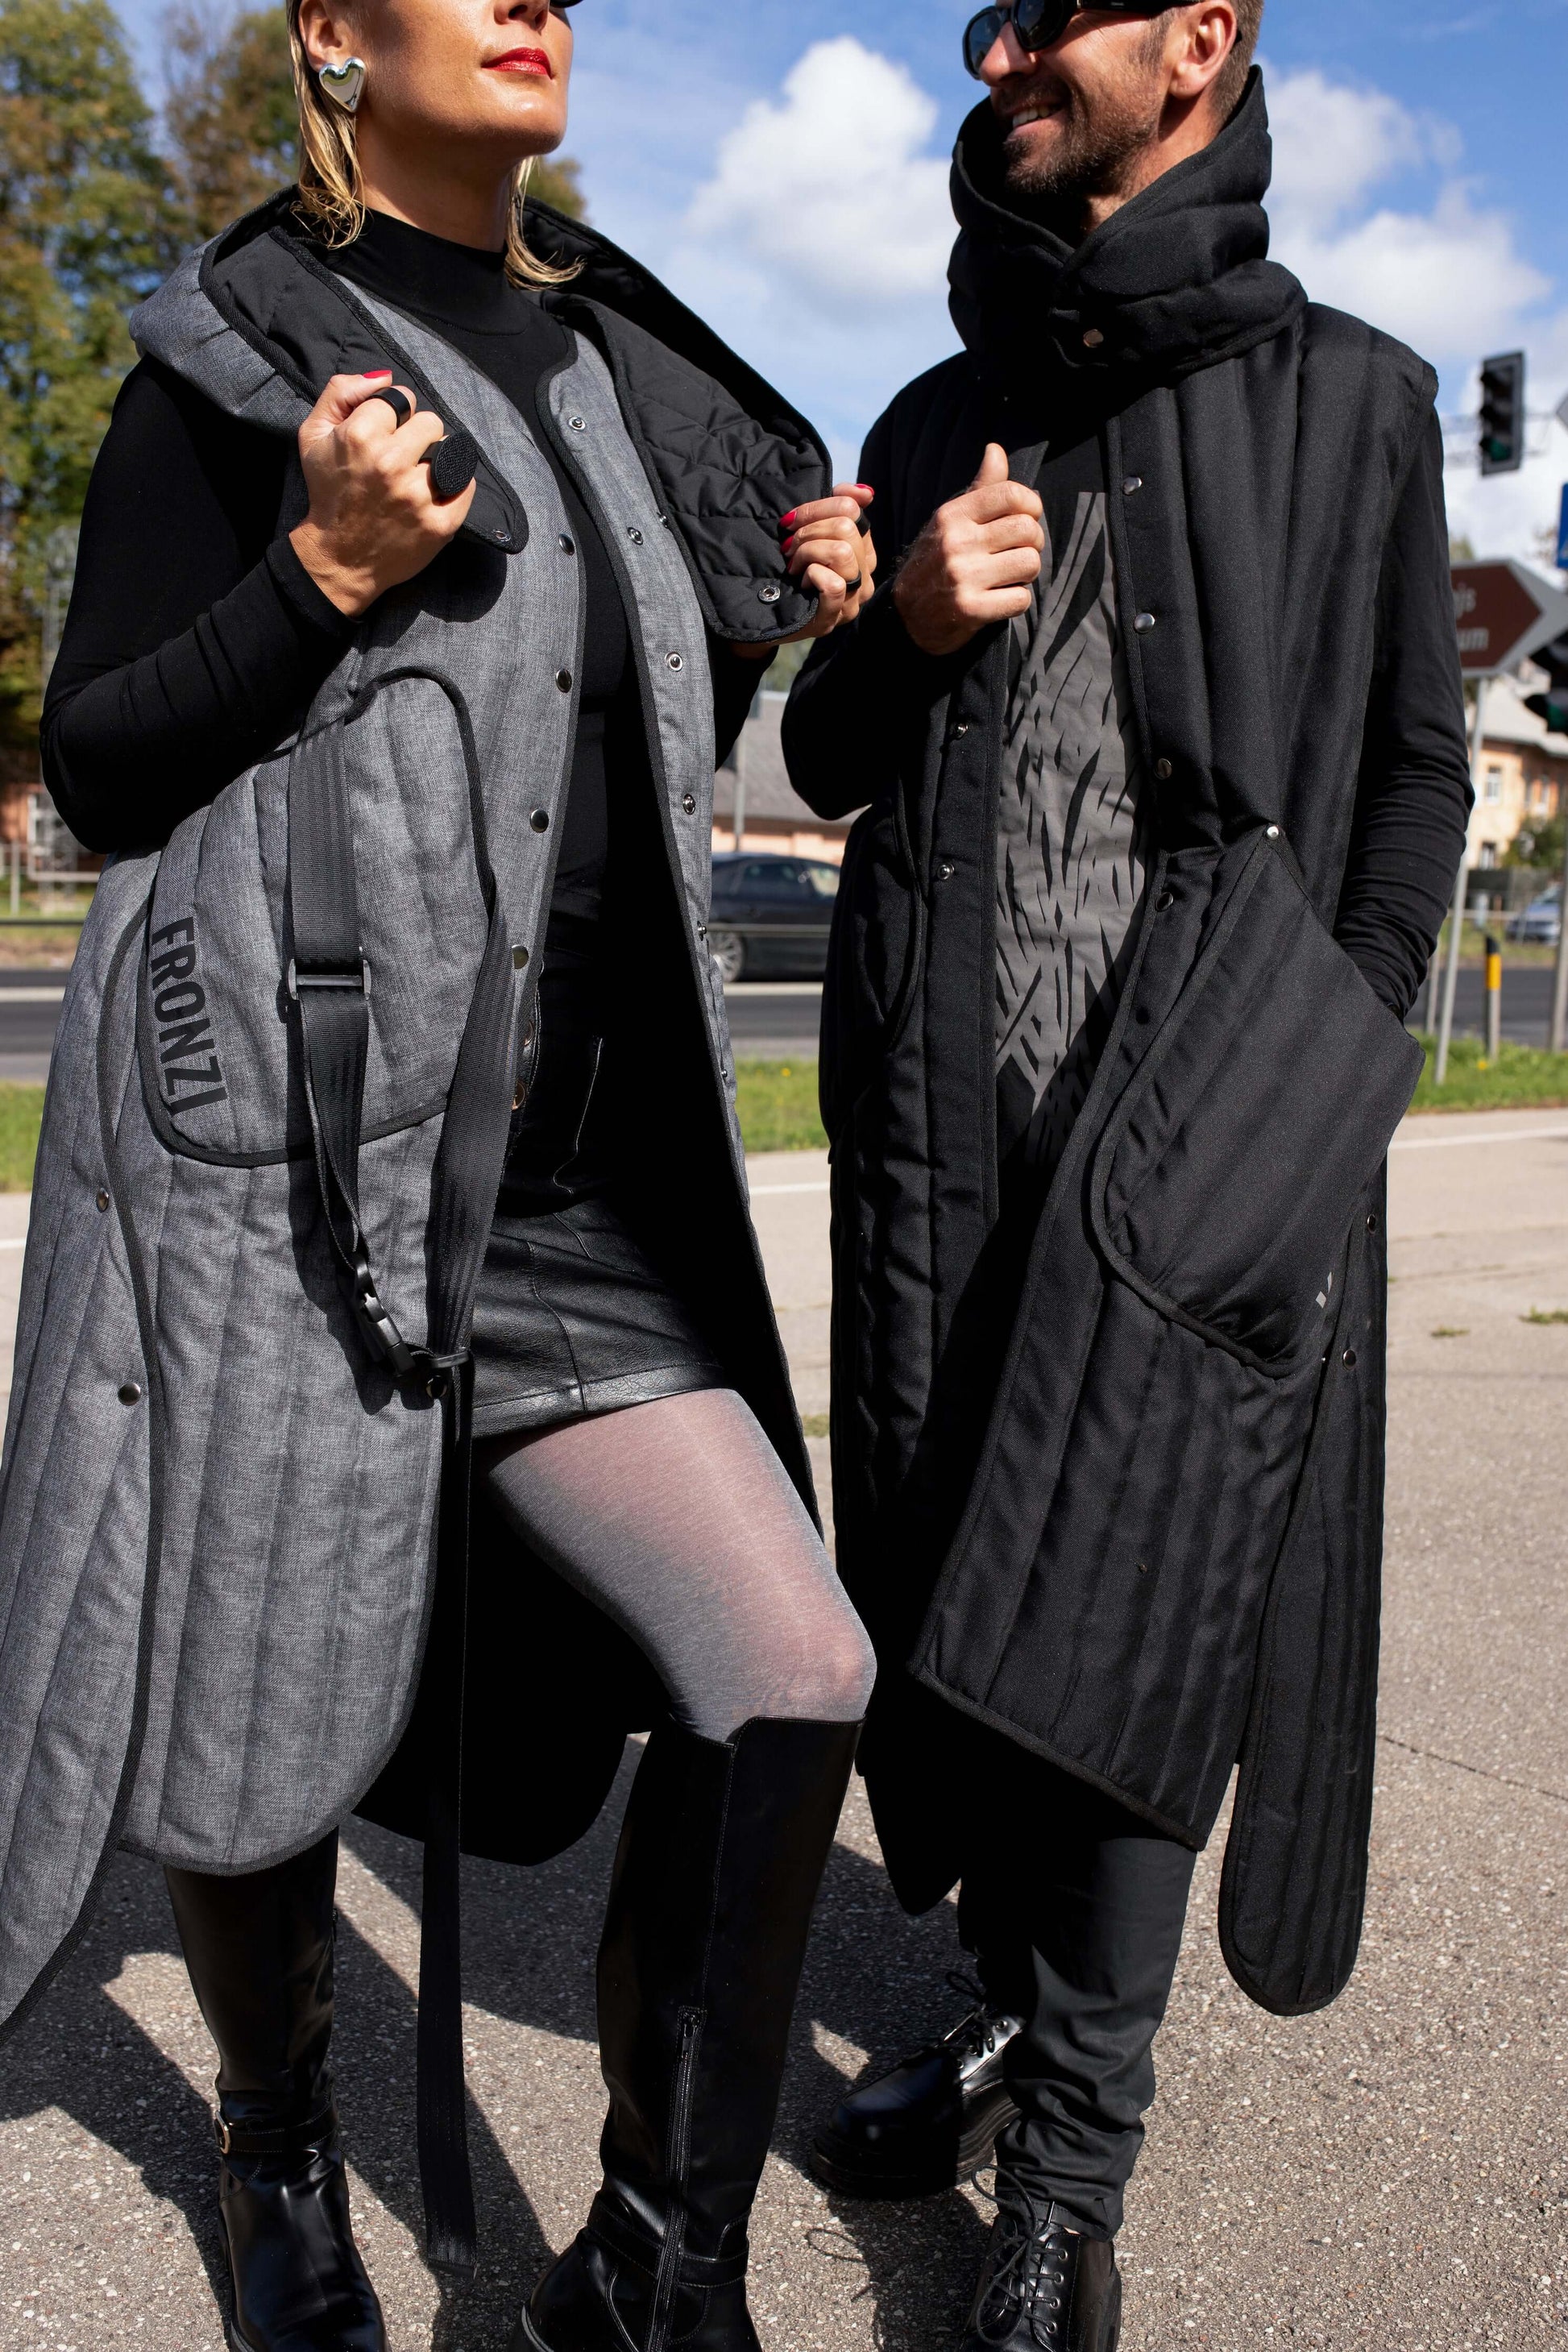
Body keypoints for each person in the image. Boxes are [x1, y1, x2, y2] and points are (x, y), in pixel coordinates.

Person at [0, 3, 881, 2349]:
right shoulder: (237, 357)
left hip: (581, 1192)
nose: (535, 6)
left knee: (788, 1664)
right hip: (303, 1171)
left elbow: (644, 763)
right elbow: (99, 773)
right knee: (245, 1696)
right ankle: (276, 2153)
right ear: (329, 38)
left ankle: (654, 2265)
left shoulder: (624, 377)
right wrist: (316, 572)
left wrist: (831, 608)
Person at [782, 3, 1471, 2345]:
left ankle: (1074, 2166)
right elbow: (825, 752)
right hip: (935, 1131)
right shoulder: (926, 412)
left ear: (1197, 43)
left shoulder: (1354, 399)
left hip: (1194, 1138)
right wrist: (898, 622)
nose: (996, 54)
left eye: (1043, 15)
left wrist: (1329, 1052)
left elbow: (1412, 777)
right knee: (948, 1611)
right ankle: (986, 2012)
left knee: (1133, 1631)